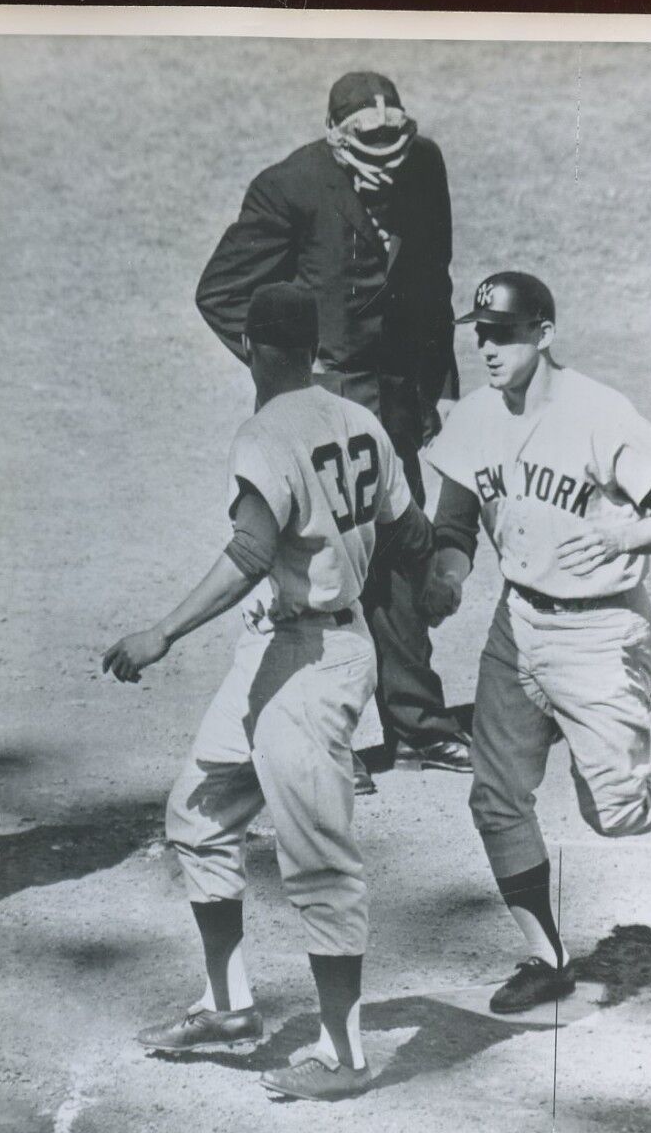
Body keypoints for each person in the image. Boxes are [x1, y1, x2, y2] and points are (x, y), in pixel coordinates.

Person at [102, 284, 437, 1100]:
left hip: (311, 667)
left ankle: (346, 1054)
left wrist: (162, 633)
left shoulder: (265, 432)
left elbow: (251, 550)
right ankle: (227, 1004)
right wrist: (436, 586)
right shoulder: (360, 420)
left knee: (318, 859)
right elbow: (411, 534)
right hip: (294, 648)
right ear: (313, 347)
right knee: (199, 810)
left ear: (250, 348)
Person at [420, 271, 651, 1015]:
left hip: (601, 631)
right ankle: (546, 959)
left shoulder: (596, 412)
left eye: (504, 333)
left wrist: (628, 532)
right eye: (478, 332)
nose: (487, 345)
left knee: (613, 811)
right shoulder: (478, 415)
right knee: (496, 799)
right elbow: (455, 513)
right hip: (516, 629)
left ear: (542, 335)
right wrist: (447, 574)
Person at [196, 70, 470, 792]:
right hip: (323, 401)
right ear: (335, 137)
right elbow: (221, 292)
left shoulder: (426, 167)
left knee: (403, 559)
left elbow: (433, 275)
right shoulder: (288, 187)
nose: (387, 152)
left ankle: (419, 728)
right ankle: (327, 737)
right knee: (321, 569)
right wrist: (291, 374)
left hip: (391, 400)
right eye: (368, 139)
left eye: (396, 136)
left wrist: (434, 384)